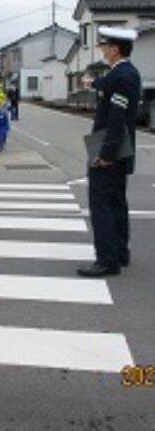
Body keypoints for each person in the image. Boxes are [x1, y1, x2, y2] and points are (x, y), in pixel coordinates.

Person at [77, 26, 141, 278]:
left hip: (109, 144)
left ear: (115, 50)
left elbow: (116, 120)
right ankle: (120, 252)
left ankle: (106, 260)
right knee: (116, 201)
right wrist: (93, 82)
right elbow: (105, 82)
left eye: (105, 46)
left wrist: (105, 154)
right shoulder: (124, 73)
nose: (103, 50)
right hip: (119, 145)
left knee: (101, 202)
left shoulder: (122, 77)